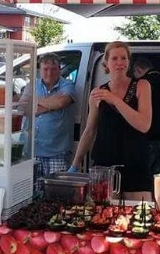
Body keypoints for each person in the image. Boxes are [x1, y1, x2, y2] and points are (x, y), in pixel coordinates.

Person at [69, 41, 152, 198]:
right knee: (105, 210)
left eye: (123, 58)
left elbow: (144, 125)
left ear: (129, 61)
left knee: (141, 211)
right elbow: (89, 131)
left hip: (135, 162)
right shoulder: (97, 93)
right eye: (114, 58)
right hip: (105, 163)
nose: (120, 62)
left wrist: (115, 100)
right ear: (106, 63)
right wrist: (75, 164)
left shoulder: (142, 85)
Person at [21, 53, 75, 192]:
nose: (49, 73)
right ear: (40, 70)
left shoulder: (67, 84)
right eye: (45, 69)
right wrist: (51, 105)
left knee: (56, 194)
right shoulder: (32, 85)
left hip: (57, 152)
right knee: (31, 193)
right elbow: (23, 108)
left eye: (53, 69)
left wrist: (34, 100)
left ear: (60, 69)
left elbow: (61, 102)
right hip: (32, 150)